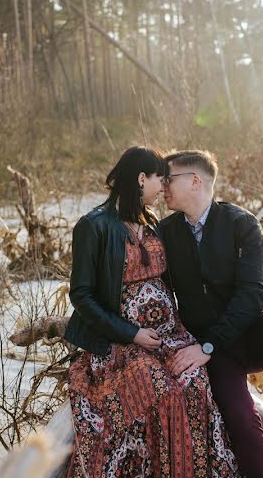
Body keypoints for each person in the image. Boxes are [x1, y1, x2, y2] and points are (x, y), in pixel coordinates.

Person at [64, 146, 239, 478]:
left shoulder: (153, 222)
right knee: (161, 391)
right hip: (120, 343)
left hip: (168, 336)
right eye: (162, 179)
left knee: (193, 382)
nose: (165, 188)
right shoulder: (94, 226)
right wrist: (131, 333)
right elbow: (82, 296)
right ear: (142, 178)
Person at [159, 149, 263, 477]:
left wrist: (208, 344)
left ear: (195, 181)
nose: (163, 186)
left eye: (169, 178)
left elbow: (252, 296)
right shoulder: (165, 234)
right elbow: (160, 296)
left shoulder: (241, 224)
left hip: (247, 336)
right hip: (213, 352)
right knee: (240, 419)